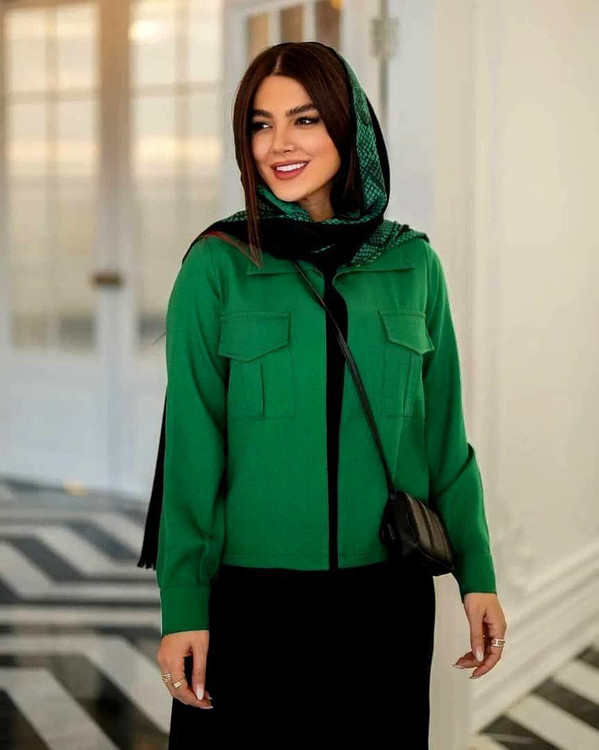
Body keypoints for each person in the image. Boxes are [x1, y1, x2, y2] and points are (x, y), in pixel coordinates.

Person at [137, 41, 508, 747]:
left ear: (349, 126)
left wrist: (477, 574)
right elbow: (191, 446)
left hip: (386, 599)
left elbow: (442, 438)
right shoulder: (218, 264)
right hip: (251, 600)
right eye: (260, 124)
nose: (278, 143)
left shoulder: (411, 262)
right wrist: (183, 606)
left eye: (304, 119)